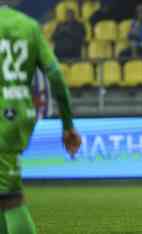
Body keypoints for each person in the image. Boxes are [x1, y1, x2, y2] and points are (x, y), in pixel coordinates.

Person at [0, 3, 81, 234]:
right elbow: (54, 74)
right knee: (4, 194)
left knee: (10, 198)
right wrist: (67, 125)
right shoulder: (29, 26)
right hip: (19, 114)